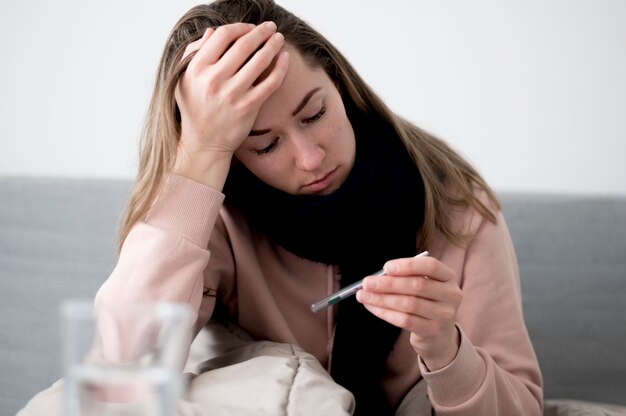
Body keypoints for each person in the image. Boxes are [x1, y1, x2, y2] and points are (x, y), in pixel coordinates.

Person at [95, 0, 544, 414]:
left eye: (314, 114)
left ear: (337, 81)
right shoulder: (211, 217)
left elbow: (520, 407)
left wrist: (447, 350)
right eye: (266, 145)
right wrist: (199, 157)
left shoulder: (456, 203)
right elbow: (124, 368)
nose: (311, 159)